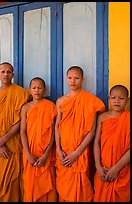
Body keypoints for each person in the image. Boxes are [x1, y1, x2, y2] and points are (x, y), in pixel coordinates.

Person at [55, 66, 106, 202]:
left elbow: (92, 131)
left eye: (76, 78)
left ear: (82, 79)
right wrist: (59, 150)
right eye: (70, 78)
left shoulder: (90, 101)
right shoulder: (60, 101)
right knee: (65, 189)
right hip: (64, 152)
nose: (73, 81)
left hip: (80, 152)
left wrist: (77, 153)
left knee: (81, 189)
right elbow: (57, 127)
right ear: (66, 79)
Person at [0, 62, 31, 202]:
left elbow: (20, 121)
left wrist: (3, 140)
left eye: (9, 72)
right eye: (3, 72)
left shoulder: (21, 93)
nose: (6, 74)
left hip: (13, 143)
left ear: (13, 74)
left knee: (13, 181)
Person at [20, 77, 57, 202]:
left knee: (48, 185)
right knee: (31, 185)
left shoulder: (50, 106)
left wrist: (46, 154)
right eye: (34, 88)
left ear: (44, 90)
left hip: (46, 153)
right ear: (30, 90)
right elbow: (23, 132)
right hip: (30, 152)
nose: (37, 90)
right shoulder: (25, 108)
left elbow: (52, 133)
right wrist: (28, 154)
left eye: (40, 87)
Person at [93, 85, 130, 202]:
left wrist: (116, 169)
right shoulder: (102, 117)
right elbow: (97, 142)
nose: (117, 101)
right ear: (109, 99)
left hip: (123, 170)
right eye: (113, 97)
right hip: (103, 170)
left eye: (121, 98)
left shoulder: (128, 118)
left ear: (128, 100)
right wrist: (98, 166)